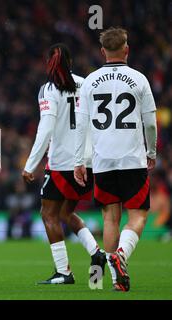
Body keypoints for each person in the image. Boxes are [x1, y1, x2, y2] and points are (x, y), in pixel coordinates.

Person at [74, 27, 157, 292]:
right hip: (132, 160)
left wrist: (79, 161)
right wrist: (151, 152)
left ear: (102, 52)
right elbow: (151, 123)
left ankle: (114, 280)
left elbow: (82, 125)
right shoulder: (139, 79)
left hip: (102, 162)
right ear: (126, 49)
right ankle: (122, 255)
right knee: (139, 216)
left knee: (110, 218)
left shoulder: (89, 81)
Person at [22, 43, 106, 285]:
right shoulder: (88, 84)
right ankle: (96, 252)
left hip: (62, 163)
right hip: (89, 161)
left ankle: (64, 272)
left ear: (49, 64)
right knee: (66, 212)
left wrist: (31, 164)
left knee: (48, 213)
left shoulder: (48, 89)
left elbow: (46, 127)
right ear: (71, 62)